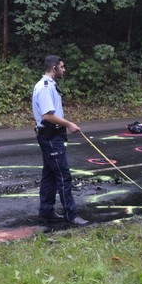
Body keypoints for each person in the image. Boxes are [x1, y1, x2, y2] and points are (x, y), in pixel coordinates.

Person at [32, 55, 88, 226]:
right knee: (63, 176)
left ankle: (46, 212)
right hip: (50, 136)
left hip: (52, 135)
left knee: (49, 175)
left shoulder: (50, 85)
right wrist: (69, 124)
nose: (64, 69)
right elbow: (48, 115)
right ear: (54, 67)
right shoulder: (45, 87)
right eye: (62, 67)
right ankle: (71, 215)